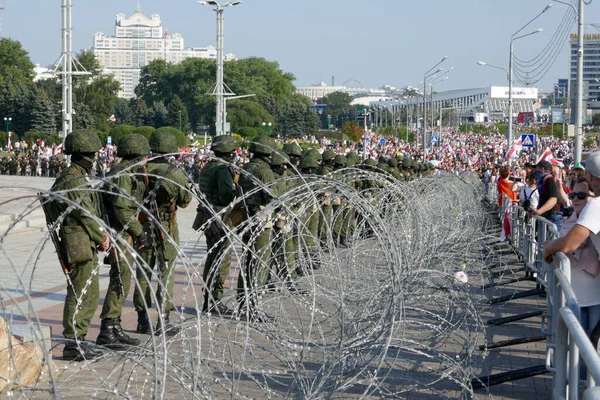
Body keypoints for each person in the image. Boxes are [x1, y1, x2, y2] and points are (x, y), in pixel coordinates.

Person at [46, 129, 108, 361]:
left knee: (89, 292)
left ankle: (79, 338)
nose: (94, 159)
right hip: (78, 241)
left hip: (83, 239)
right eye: (92, 154)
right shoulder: (72, 178)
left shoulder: (75, 176)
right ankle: (72, 342)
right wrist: (101, 236)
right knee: (79, 291)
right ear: (84, 155)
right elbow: (85, 214)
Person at [134, 131, 192, 336]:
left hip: (142, 226)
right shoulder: (174, 173)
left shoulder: (138, 170)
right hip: (166, 227)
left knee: (143, 273)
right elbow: (185, 201)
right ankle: (163, 320)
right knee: (166, 273)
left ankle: (141, 320)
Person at [96, 134, 149, 349]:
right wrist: (138, 231)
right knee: (120, 280)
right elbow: (120, 206)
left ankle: (114, 326)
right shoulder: (123, 174)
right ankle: (107, 330)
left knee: (123, 279)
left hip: (123, 231)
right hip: (121, 232)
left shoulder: (125, 172)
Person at [236, 136, 280, 321]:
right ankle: (255, 307)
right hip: (261, 218)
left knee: (247, 262)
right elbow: (273, 196)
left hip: (246, 217)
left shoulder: (246, 167)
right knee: (261, 262)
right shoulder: (265, 171)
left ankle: (242, 303)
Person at [197, 135, 239, 315]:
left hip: (209, 216)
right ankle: (215, 300)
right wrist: (237, 189)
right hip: (221, 217)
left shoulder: (208, 166)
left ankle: (209, 299)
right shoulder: (222, 170)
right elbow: (225, 196)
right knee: (222, 259)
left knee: (212, 257)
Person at [532, 160, 563, 231]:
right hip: (546, 216)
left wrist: (539, 211)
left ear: (542, 169)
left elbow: (553, 199)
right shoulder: (544, 180)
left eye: (537, 169)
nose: (535, 172)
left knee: (551, 241)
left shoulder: (550, 180)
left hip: (552, 217)